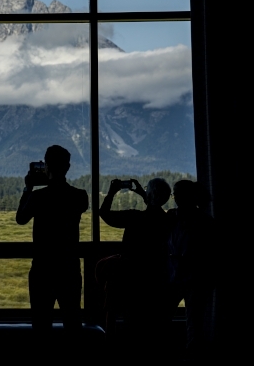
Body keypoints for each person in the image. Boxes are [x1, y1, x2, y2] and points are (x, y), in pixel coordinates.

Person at [16, 145, 88, 357]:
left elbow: (21, 219)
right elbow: (66, 198)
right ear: (68, 167)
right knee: (73, 323)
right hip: (69, 269)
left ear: (46, 166)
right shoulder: (79, 196)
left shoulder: (39, 198)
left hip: (42, 270)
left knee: (41, 325)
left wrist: (29, 188)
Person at [99, 177, 172, 360]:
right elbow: (155, 208)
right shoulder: (168, 220)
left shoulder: (134, 217)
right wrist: (144, 192)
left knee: (128, 322)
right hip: (156, 281)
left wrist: (112, 192)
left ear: (149, 195)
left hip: (130, 280)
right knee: (151, 327)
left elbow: (105, 213)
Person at [166, 180, 215, 362]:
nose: (176, 197)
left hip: (189, 276)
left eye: (177, 194)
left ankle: (186, 355)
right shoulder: (203, 220)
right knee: (194, 321)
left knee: (191, 322)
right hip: (189, 276)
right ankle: (192, 357)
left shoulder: (174, 218)